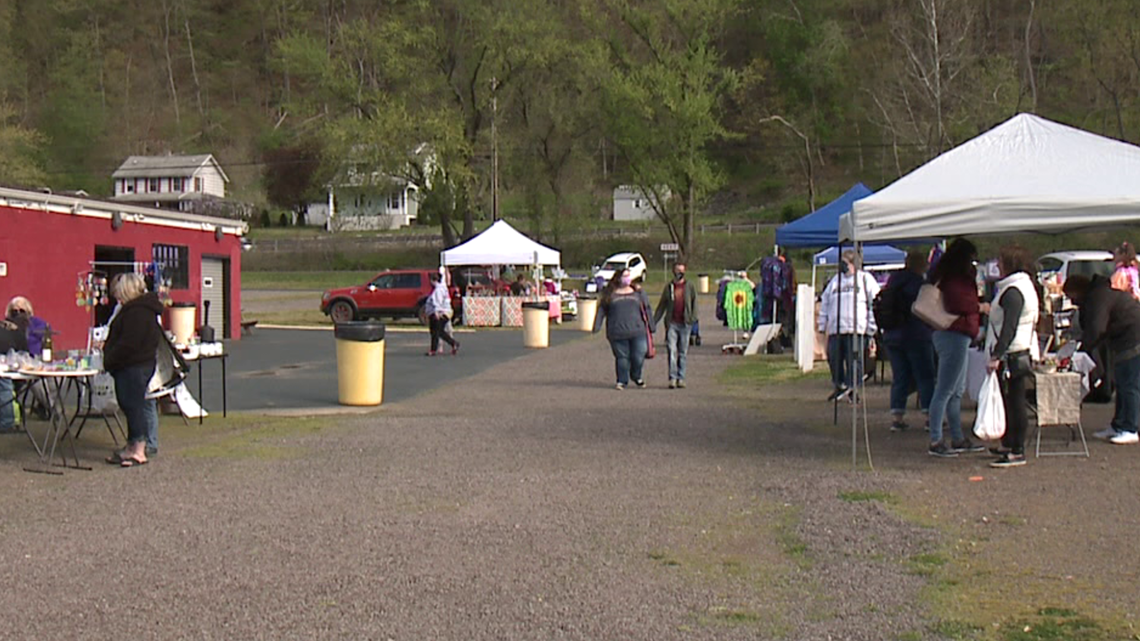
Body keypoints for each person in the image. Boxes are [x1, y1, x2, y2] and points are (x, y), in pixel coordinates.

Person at [925, 239, 986, 458]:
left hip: (954, 334)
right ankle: (936, 439)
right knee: (945, 390)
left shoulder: (947, 275)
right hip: (954, 333)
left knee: (956, 391)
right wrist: (980, 306)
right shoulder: (955, 279)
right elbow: (959, 304)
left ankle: (956, 437)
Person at [1063, 274, 1140, 445]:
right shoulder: (1099, 294)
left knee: (1130, 385)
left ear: (1077, 291)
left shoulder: (1097, 298)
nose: (1072, 301)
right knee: (1122, 384)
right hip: (1124, 338)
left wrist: (1083, 349)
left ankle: (1131, 428)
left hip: (1133, 339)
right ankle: (1119, 424)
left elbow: (1096, 328)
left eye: (1071, 296)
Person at [985, 246, 1041, 468]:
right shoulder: (1022, 287)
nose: (997, 265)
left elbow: (1009, 326)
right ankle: (1009, 443)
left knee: (1016, 402)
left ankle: (1017, 449)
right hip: (1018, 349)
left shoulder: (1013, 291)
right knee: (1011, 401)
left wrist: (997, 354)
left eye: (1000, 261)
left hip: (1012, 353)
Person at [103, 273, 163, 467]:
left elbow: (128, 344)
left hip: (133, 365)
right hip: (136, 364)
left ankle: (139, 449)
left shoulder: (137, 313)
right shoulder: (139, 310)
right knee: (130, 405)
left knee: (134, 405)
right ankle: (132, 446)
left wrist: (111, 358)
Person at [883, 251, 935, 431]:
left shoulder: (893, 281)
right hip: (916, 335)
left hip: (892, 335)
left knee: (900, 377)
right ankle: (930, 417)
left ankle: (897, 417)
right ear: (921, 265)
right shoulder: (919, 284)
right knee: (925, 376)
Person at [818, 250, 880, 402]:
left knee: (854, 361)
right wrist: (822, 324)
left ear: (853, 264)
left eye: (845, 262)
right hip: (836, 328)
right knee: (834, 359)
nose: (842, 265)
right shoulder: (835, 281)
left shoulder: (865, 279)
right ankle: (839, 385)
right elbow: (825, 302)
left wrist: (871, 326)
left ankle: (852, 388)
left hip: (857, 328)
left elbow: (875, 303)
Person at [593, 268, 652, 390]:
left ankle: (636, 376)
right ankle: (622, 380)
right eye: (625, 276)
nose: (628, 278)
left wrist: (651, 325)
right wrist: (597, 326)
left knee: (639, 355)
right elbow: (601, 311)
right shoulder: (610, 294)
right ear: (618, 278)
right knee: (622, 357)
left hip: (638, 331)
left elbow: (647, 308)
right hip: (617, 332)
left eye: (629, 276)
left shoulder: (638, 293)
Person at [653, 260, 698, 389]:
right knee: (672, 350)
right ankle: (672, 378)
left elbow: (695, 303)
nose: (679, 273)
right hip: (672, 323)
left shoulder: (689, 286)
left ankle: (681, 378)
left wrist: (693, 319)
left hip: (685, 324)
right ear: (673, 271)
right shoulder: (669, 287)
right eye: (677, 270)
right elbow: (662, 305)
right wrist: (653, 322)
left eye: (682, 271)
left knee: (682, 352)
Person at [425, 271, 459, 356]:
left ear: (433, 280)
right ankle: (434, 349)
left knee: (438, 331)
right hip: (439, 312)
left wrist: (437, 312)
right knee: (434, 331)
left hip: (441, 313)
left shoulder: (438, 289)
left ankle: (453, 343)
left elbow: (438, 301)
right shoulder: (440, 288)